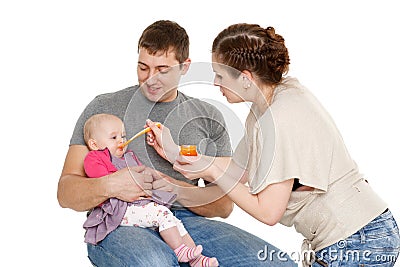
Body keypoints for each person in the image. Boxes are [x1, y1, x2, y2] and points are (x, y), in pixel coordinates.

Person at [146, 23, 400, 267]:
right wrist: (176, 153)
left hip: (356, 239)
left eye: (220, 75)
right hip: (358, 233)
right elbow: (241, 169)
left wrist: (213, 172)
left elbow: (268, 211)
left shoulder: (279, 119)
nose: (215, 83)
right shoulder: (268, 103)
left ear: (245, 78)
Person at [57, 20, 295, 266]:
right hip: (118, 221)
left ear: (185, 67)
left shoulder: (208, 116)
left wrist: (173, 187)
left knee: (278, 263)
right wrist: (111, 185)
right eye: (142, 68)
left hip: (183, 221)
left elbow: (222, 207)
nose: (150, 79)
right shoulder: (103, 108)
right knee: (156, 262)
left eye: (162, 70)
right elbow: (66, 192)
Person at [82, 113, 218, 266]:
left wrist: (153, 178)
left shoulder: (128, 157)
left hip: (138, 205)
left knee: (175, 221)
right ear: (94, 144)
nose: (121, 141)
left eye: (123, 136)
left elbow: (144, 173)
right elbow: (103, 181)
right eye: (114, 138)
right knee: (162, 214)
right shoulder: (95, 158)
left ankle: (196, 259)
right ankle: (179, 250)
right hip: (119, 210)